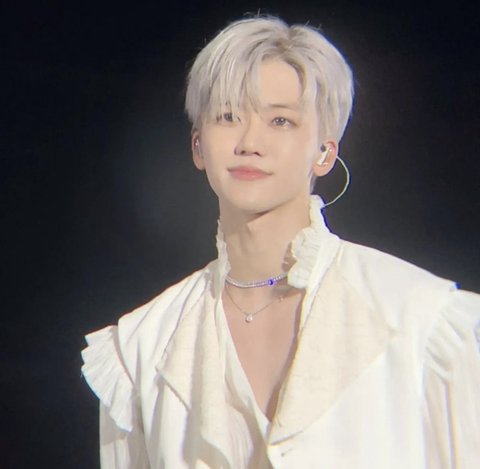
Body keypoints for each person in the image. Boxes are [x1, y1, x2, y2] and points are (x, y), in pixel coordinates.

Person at [81, 16, 480, 468]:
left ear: (325, 151)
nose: (250, 142)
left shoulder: (418, 320)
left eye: (280, 120)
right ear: (198, 146)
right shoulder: (142, 347)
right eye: (228, 117)